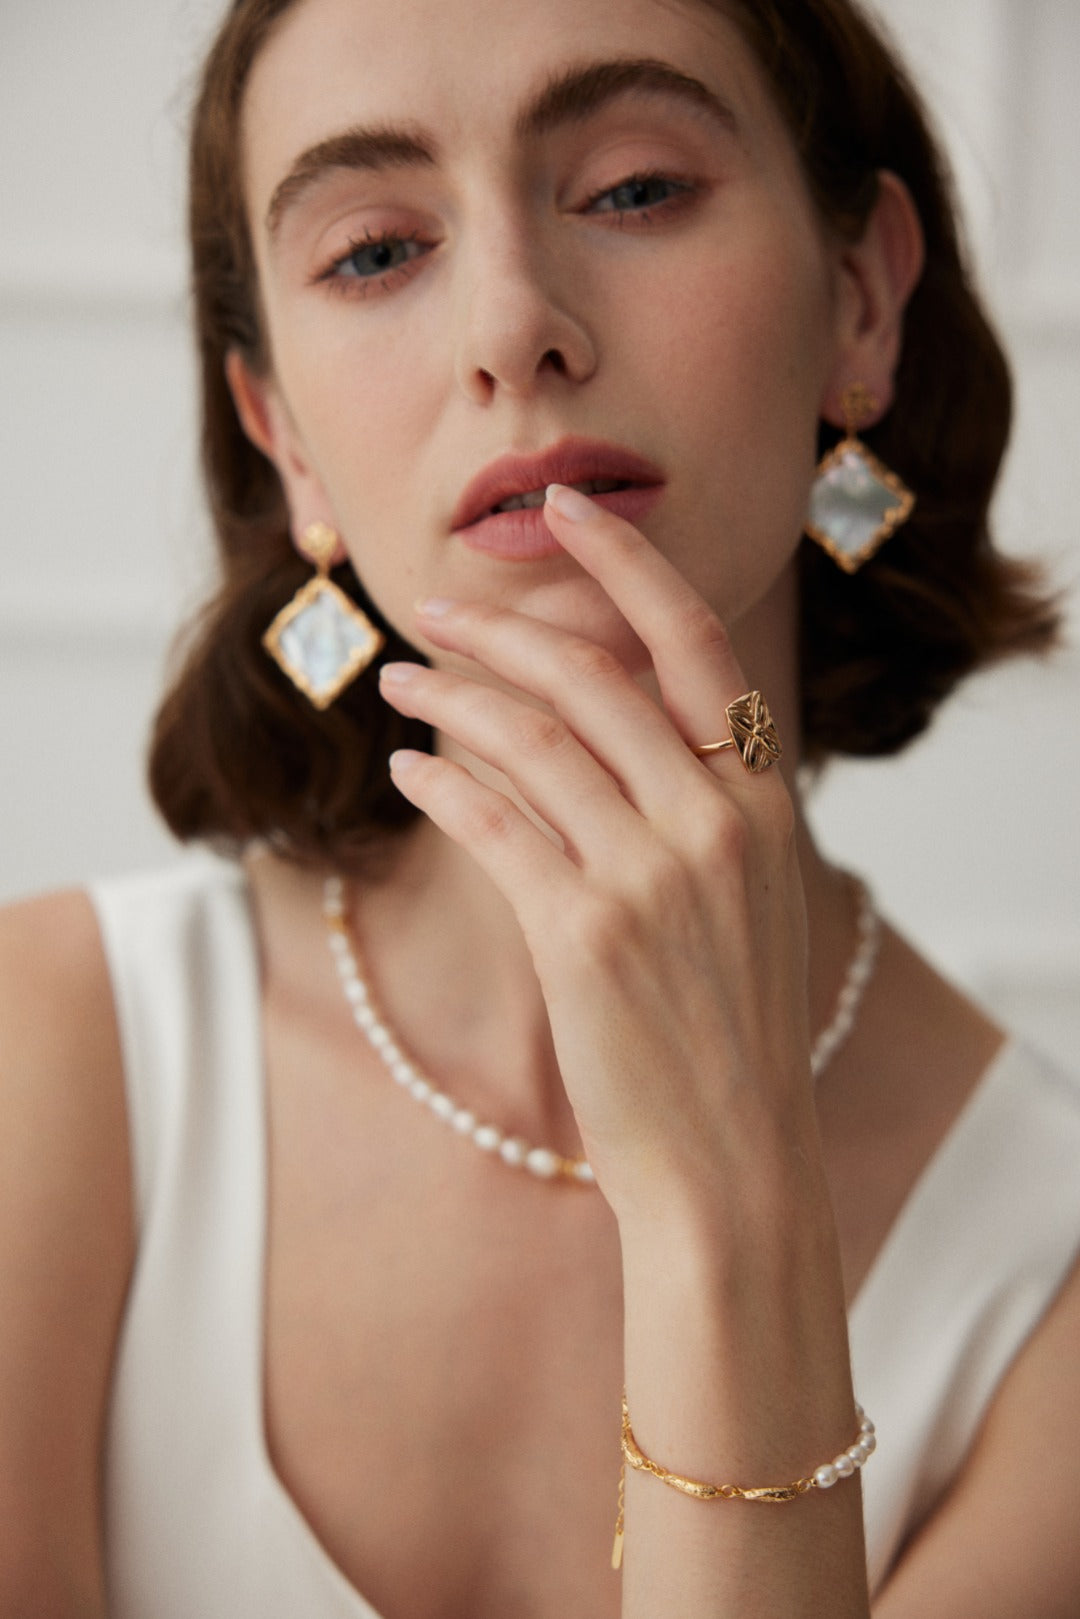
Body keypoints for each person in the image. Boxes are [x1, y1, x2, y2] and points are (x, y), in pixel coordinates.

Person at [1, 0, 1078, 1614]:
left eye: (635, 189)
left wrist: (726, 1192)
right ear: (283, 435)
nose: (513, 324)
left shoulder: (1047, 1276)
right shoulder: (44, 1055)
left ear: (860, 299)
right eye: (374, 251)